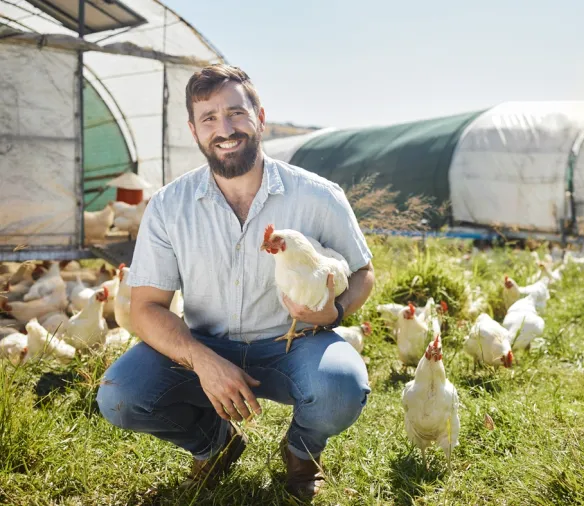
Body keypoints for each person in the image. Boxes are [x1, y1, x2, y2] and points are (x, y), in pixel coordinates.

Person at [96, 63, 375, 500]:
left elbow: (363, 273)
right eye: (209, 118)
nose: (224, 129)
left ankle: (301, 453)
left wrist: (335, 311)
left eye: (235, 113)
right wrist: (200, 360)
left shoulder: (318, 195)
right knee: (121, 396)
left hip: (294, 344)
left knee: (341, 388)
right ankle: (215, 443)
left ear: (260, 117)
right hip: (206, 344)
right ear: (194, 130)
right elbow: (145, 306)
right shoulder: (169, 206)